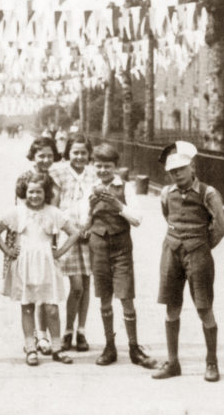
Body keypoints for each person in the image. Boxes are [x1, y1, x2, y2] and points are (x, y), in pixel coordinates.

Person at [153, 141, 224, 383]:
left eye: (181, 169)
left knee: (204, 307)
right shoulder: (166, 193)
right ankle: (173, 363)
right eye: (172, 171)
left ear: (192, 167)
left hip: (198, 253)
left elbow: (221, 228)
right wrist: (179, 240)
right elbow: (168, 216)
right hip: (172, 251)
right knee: (171, 307)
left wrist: (202, 246)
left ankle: (211, 362)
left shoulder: (208, 193)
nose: (176, 175)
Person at [0, 173, 81, 366]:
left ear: (46, 193)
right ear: (24, 192)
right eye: (31, 191)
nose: (35, 196)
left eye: (39, 192)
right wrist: (9, 251)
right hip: (24, 264)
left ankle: (57, 348)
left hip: (46, 265)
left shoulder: (53, 212)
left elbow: (75, 233)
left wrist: (59, 253)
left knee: (51, 308)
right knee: (27, 307)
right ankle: (30, 348)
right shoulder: (16, 212)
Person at [86, 143, 156, 369]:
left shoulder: (125, 187)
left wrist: (117, 204)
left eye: (107, 166)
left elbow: (137, 219)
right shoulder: (90, 188)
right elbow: (82, 222)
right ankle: (109, 346)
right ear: (93, 166)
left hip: (121, 247)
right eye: (99, 166)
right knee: (104, 297)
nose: (103, 171)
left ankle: (134, 347)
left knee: (126, 296)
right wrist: (90, 208)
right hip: (98, 247)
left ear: (115, 167)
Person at [10, 136, 61, 356]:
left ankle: (45, 335)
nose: (46, 160)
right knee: (32, 289)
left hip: (49, 234)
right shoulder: (27, 177)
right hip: (29, 237)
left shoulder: (56, 178)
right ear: (34, 156)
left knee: (46, 288)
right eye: (41, 155)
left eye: (50, 155)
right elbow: (21, 209)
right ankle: (37, 337)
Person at [50, 133, 96, 353]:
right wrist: (67, 229)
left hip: (88, 234)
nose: (79, 156)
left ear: (89, 154)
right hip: (67, 233)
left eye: (83, 153)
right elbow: (54, 204)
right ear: (68, 152)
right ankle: (68, 330)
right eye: (75, 152)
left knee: (86, 284)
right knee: (76, 285)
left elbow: (96, 204)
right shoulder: (58, 172)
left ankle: (82, 331)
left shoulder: (94, 174)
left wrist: (89, 227)